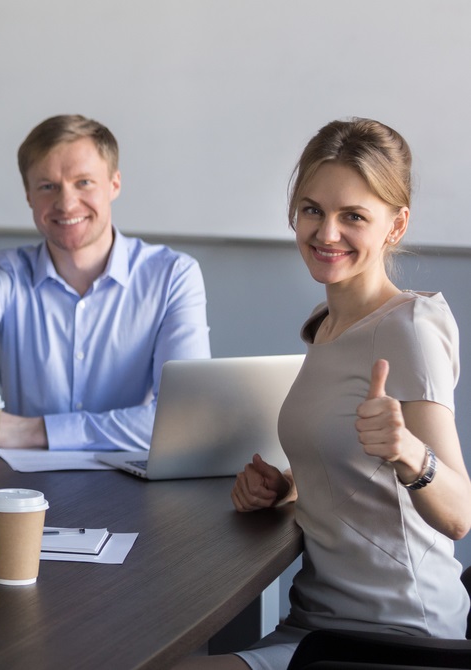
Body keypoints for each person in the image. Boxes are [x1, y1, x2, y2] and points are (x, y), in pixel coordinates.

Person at [186, 118, 471, 670]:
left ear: (395, 225)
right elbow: (357, 475)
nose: (326, 233)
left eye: (353, 217)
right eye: (312, 209)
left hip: (395, 637)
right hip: (318, 624)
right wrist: (286, 486)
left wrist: (409, 452)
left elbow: (459, 516)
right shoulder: (329, 324)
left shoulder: (409, 326)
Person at [0, 114, 210, 451]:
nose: (66, 203)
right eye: (47, 186)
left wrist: (33, 432)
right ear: (28, 195)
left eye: (83, 182)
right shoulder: (9, 273)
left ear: (114, 184)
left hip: (133, 489)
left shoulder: (173, 276)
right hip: (24, 493)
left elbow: (186, 418)